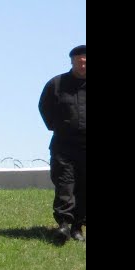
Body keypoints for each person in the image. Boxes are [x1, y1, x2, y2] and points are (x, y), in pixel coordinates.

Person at [38, 44, 87, 243]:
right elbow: (44, 107)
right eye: (79, 61)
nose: (83, 65)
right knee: (64, 184)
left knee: (84, 186)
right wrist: (57, 126)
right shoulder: (57, 84)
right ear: (72, 62)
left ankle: (77, 227)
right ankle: (63, 225)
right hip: (64, 145)